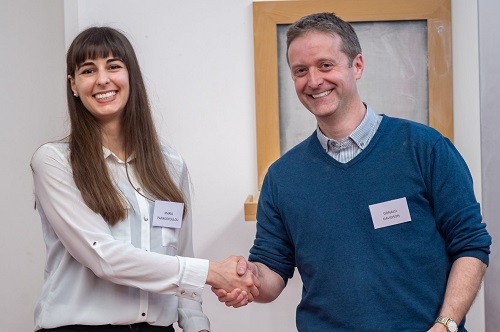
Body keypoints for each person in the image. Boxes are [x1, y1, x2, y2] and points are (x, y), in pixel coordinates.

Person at [214, 12, 492, 332]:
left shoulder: (425, 149)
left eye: (326, 65)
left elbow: (471, 245)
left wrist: (446, 324)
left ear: (357, 66)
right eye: (301, 71)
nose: (314, 80)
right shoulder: (281, 178)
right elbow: (272, 272)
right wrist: (245, 279)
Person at [31, 26, 259, 332]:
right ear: (73, 85)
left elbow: (180, 254)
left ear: (131, 77)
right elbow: (104, 257)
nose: (102, 79)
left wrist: (197, 324)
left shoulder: (171, 165)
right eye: (88, 70)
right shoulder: (55, 162)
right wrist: (214, 272)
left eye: (113, 66)